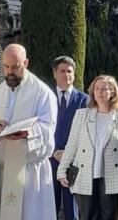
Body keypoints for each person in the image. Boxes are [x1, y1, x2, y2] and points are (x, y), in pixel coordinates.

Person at [0, 44, 57, 220]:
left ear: (25, 63)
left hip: (29, 173)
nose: (9, 72)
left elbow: (48, 132)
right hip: (1, 173)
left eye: (15, 67)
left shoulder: (42, 93)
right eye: (6, 66)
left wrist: (27, 134)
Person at [56, 75, 118, 220]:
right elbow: (72, 144)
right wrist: (62, 170)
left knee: (109, 216)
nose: (99, 92)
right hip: (84, 173)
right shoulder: (82, 115)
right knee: (87, 216)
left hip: (112, 176)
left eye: (104, 89)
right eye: (96, 89)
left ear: (112, 92)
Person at [51, 56, 89, 220]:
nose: (66, 74)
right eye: (62, 71)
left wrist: (68, 154)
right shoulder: (47, 98)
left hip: (73, 162)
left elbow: (86, 132)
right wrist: (53, 152)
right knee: (50, 207)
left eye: (69, 71)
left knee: (71, 209)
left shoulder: (83, 100)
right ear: (54, 73)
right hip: (50, 160)